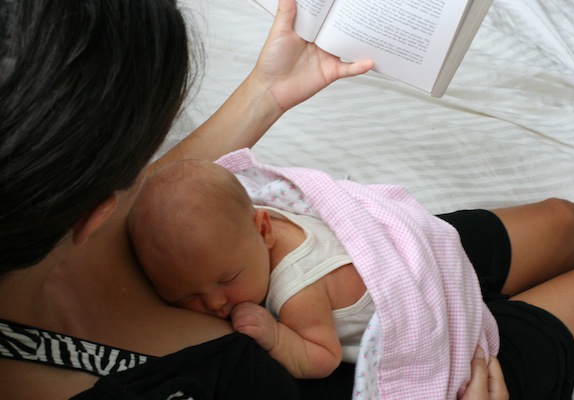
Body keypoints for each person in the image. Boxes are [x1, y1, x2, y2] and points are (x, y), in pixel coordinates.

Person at [0, 0, 506, 398]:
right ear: (91, 213)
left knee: (563, 226)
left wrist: (271, 87)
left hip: (384, 265)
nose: (151, 169)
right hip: (411, 373)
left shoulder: (45, 231)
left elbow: (174, 193)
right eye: (139, 157)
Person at [129, 155, 574, 399]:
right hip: (427, 349)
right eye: (184, 296)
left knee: (562, 220)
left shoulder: (291, 285)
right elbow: (320, 358)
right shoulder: (271, 269)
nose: (215, 303)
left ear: (263, 226)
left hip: (405, 262)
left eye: (226, 278)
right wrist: (275, 337)